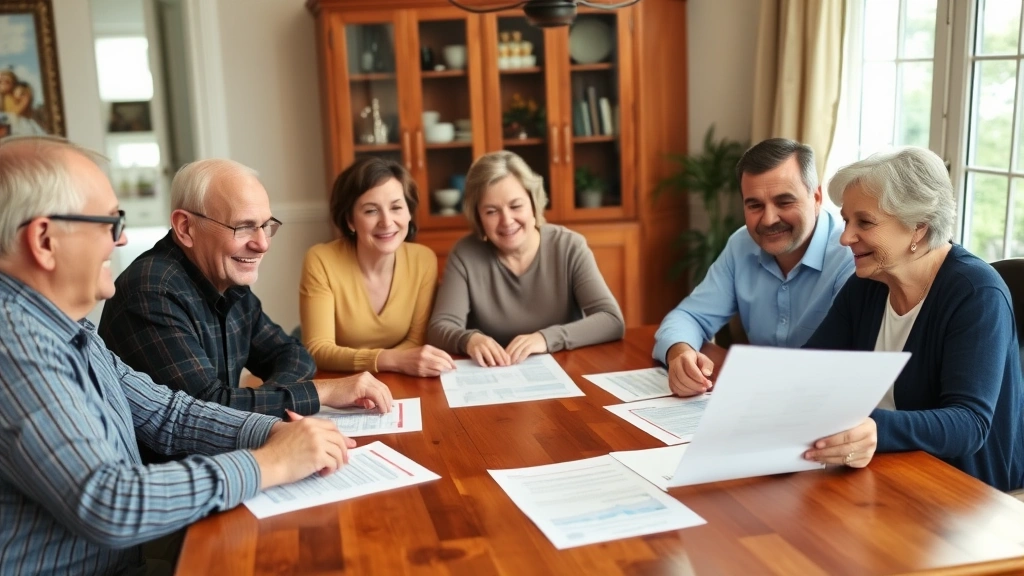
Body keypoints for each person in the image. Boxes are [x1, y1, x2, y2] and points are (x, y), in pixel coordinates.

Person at [0, 136, 357, 575]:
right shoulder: (16, 345)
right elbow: (108, 502)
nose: (123, 239)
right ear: (44, 239)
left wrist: (274, 432)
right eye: (109, 223)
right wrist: (271, 461)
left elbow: (171, 413)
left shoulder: (72, 332)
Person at [99, 159, 392, 422]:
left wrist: (272, 402)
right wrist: (320, 393)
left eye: (266, 226)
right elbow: (208, 413)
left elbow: (292, 353)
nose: (262, 244)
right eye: (243, 227)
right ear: (185, 227)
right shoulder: (151, 290)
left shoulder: (224, 277)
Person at [802, 147, 1024, 492]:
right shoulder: (868, 283)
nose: (845, 237)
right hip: (884, 471)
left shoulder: (975, 292)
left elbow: (969, 424)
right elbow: (809, 369)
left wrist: (877, 429)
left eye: (865, 222)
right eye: (846, 221)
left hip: (967, 494)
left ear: (918, 227)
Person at [654, 138, 855, 397]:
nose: (769, 219)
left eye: (784, 202)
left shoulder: (849, 254)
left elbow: (848, 363)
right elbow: (689, 316)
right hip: (758, 400)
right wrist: (679, 353)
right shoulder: (741, 245)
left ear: (816, 197)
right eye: (755, 205)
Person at [427, 150, 625, 367]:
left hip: (564, 373)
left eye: (516, 206)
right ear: (478, 217)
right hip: (494, 376)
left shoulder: (569, 247)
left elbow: (611, 320)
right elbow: (439, 328)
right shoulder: (465, 254)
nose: (506, 220)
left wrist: (545, 338)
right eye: (492, 211)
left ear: (534, 204)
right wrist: (469, 340)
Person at [300, 158, 454, 376]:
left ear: (409, 213)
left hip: (399, 379)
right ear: (350, 220)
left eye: (396, 207)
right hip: (341, 381)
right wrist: (391, 359)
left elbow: (416, 340)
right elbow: (318, 349)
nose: (387, 221)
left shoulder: (424, 260)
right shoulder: (321, 260)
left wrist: (391, 363)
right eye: (371, 211)